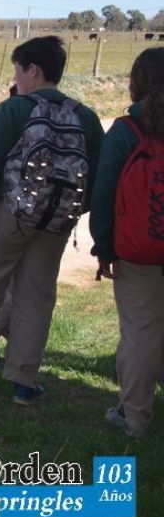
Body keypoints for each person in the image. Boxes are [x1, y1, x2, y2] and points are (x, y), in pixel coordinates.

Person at [0, 36, 105, 404]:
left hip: (5, 215)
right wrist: (70, 209)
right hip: (56, 224)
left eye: (17, 70)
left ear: (33, 70)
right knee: (37, 296)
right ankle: (25, 381)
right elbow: (96, 174)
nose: (15, 79)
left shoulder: (15, 110)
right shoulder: (85, 116)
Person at [91, 47, 164, 436]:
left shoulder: (125, 131)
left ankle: (134, 416)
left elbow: (103, 194)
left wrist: (104, 248)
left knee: (140, 329)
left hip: (138, 251)